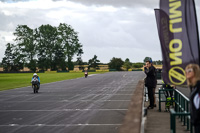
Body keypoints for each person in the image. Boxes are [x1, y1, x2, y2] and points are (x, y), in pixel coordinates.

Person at [185, 64, 200, 133]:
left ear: (196, 72)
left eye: (189, 70)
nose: (187, 72)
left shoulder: (198, 87)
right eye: (186, 70)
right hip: (196, 123)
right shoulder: (193, 87)